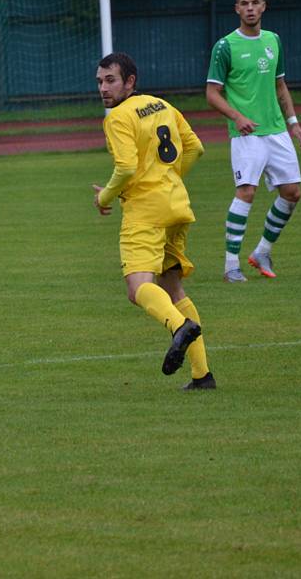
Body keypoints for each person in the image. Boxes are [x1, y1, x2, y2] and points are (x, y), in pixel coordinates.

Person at [92, 53, 215, 390]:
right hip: (177, 205)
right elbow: (195, 148)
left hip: (145, 210)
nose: (103, 88)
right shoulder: (162, 105)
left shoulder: (117, 117)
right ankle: (202, 375)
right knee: (172, 287)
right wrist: (169, 179)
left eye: (110, 80)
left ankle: (179, 327)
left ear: (130, 81)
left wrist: (104, 197)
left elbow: (127, 168)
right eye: (100, 81)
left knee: (137, 288)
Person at [206, 0, 301, 283]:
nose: (250, 8)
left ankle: (262, 250)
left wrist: (294, 123)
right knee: (246, 192)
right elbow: (212, 93)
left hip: (276, 129)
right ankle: (230, 266)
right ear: (236, 8)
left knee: (292, 192)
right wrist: (237, 117)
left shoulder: (274, 40)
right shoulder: (225, 46)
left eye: (255, 3)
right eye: (244, 4)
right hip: (246, 133)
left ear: (264, 6)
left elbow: (280, 85)